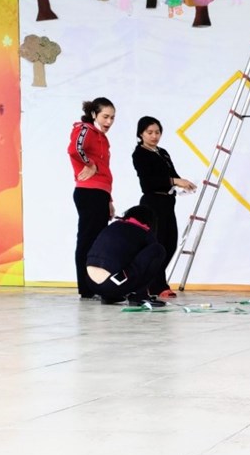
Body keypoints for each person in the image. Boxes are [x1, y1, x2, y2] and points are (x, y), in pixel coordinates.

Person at [131, 116, 196, 298]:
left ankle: (154, 282)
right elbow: (148, 182)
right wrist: (175, 181)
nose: (154, 136)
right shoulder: (140, 154)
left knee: (170, 243)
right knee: (157, 244)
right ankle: (158, 285)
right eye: (149, 132)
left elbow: (173, 174)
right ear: (141, 134)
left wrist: (183, 184)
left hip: (168, 202)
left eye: (157, 132)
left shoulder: (163, 152)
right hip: (153, 203)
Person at [68, 97, 116, 299]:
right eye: (105, 116)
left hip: (101, 193)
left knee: (98, 242)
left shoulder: (102, 138)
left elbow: (105, 170)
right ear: (94, 114)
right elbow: (74, 149)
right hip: (88, 192)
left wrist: (109, 200)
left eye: (112, 118)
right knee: (87, 240)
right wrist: (89, 164)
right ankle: (86, 288)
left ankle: (95, 285)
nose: (109, 121)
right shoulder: (85, 129)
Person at [85, 205, 167, 306]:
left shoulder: (113, 226)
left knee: (117, 258)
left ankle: (109, 297)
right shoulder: (144, 232)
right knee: (158, 250)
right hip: (113, 284)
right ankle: (139, 296)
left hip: (91, 283)